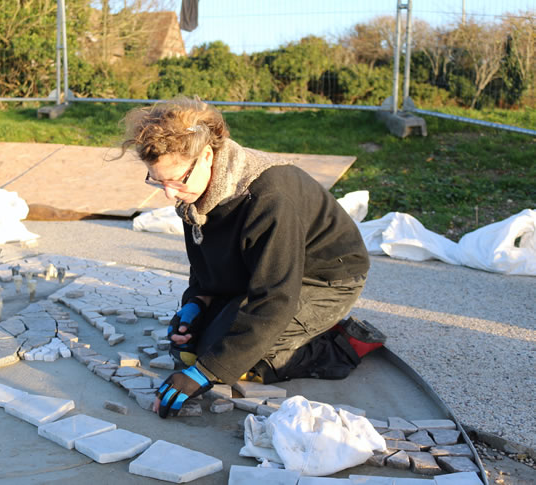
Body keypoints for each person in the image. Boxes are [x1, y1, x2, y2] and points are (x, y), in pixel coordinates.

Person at [120, 97, 385, 419]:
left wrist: (205, 373)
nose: (169, 194)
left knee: (234, 363)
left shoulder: (269, 197)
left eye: (176, 180)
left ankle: (342, 344)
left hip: (323, 278)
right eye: (158, 180)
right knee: (187, 348)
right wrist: (196, 303)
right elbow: (206, 266)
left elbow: (275, 297)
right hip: (263, 271)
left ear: (206, 156)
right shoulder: (194, 189)